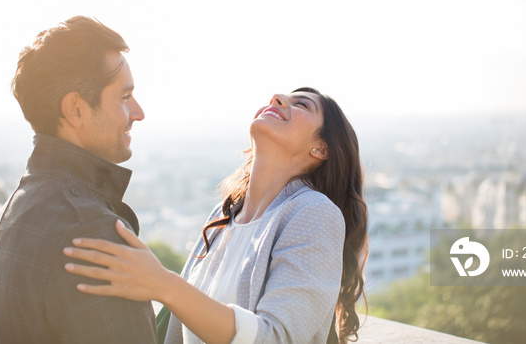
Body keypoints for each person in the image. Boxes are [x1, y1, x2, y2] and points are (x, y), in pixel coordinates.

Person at [63, 87, 368, 343]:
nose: (276, 98)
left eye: (301, 104)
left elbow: (277, 337)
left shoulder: (314, 213)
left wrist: (164, 284)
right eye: (282, 97)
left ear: (321, 148)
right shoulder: (223, 216)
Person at [0, 16, 158, 343]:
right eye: (124, 97)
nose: (138, 112)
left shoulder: (18, 205)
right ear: (75, 109)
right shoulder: (91, 233)